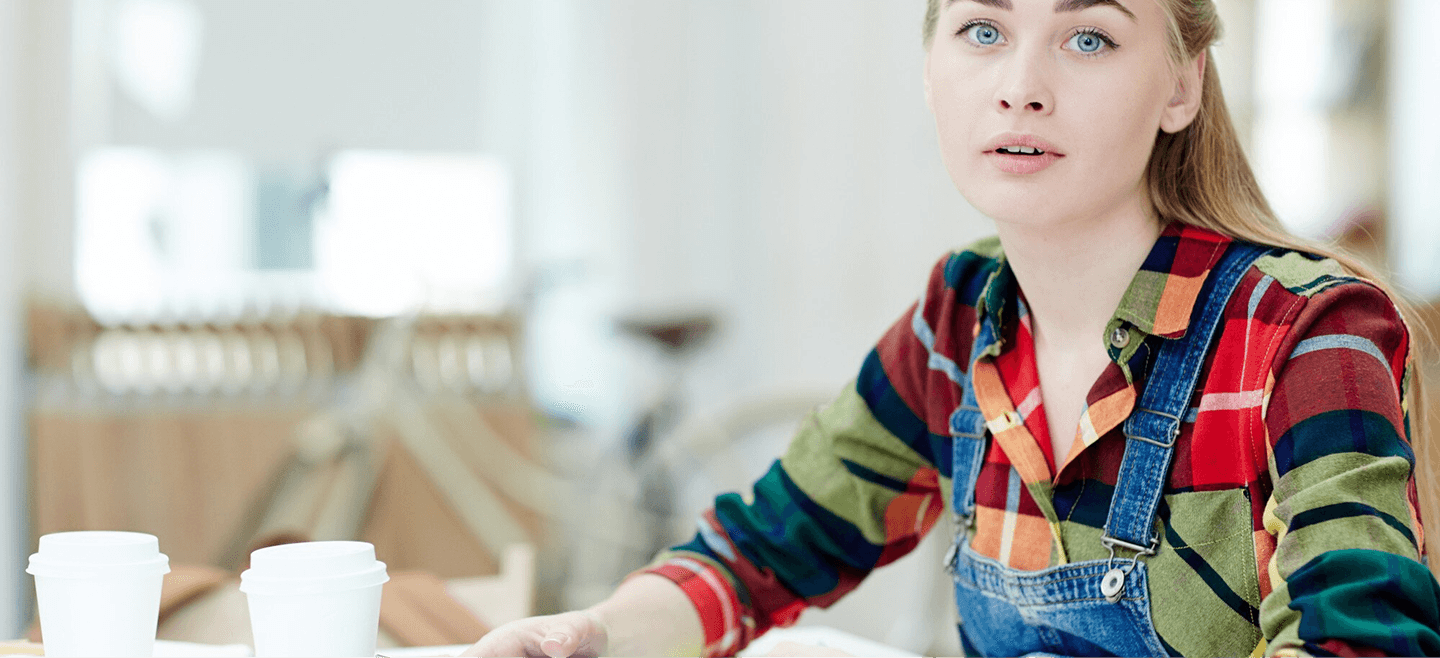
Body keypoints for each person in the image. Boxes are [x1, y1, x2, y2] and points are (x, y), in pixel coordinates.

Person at [465, 0, 1440, 655]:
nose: (1022, 85)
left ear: (1181, 85)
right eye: (982, 30)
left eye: (1088, 38)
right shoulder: (958, 319)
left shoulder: (1307, 334)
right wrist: (592, 634)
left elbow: (1360, 643)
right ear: (931, 71)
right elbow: (758, 555)